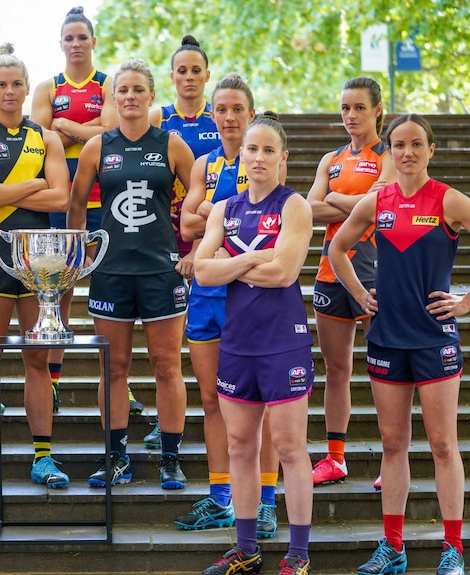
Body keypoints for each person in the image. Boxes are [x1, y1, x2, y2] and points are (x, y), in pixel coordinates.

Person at [329, 114, 468, 575]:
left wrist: (467, 303)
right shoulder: (377, 201)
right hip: (387, 336)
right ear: (388, 150)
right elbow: (337, 249)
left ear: (431, 150)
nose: (407, 152)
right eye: (398, 144)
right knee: (392, 445)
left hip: (434, 339)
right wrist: (357, 292)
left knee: (444, 445)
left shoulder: (447, 199)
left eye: (416, 144)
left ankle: (453, 550)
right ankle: (393, 547)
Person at [194, 113, 314, 575]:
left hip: (283, 343)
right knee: (241, 446)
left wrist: (235, 258)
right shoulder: (224, 209)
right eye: (252, 149)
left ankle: (298, 555)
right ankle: (246, 550)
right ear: (241, 155)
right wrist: (261, 255)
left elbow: (284, 273)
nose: (259, 157)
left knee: (289, 448)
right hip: (238, 342)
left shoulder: (294, 206)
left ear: (283, 158)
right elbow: (202, 271)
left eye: (269, 150)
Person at [67, 59, 194, 490]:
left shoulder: (172, 144)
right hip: (112, 272)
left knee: (166, 365)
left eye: (139, 90)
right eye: (123, 90)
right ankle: (117, 457)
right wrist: (79, 251)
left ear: (152, 96)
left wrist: (193, 252)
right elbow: (77, 206)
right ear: (113, 97)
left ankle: (170, 458)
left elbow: (198, 205)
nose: (130, 97)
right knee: (114, 367)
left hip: (161, 271)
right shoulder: (97, 147)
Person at [0, 43, 71, 492]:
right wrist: (35, 183)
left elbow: (60, 198)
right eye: (1, 84)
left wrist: (3, 187)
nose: (9, 91)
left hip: (37, 260)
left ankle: (43, 457)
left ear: (27, 88)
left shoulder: (46, 137)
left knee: (37, 360)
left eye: (16, 84)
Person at [175, 74, 281, 538]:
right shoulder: (204, 163)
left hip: (252, 294)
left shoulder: (265, 162)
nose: (230, 116)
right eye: (222, 108)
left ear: (251, 113)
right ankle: (221, 498)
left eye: (238, 108)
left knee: (263, 403)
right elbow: (187, 222)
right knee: (212, 399)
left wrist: (217, 238)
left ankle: (266, 501)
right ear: (212, 113)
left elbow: (269, 227)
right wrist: (211, 230)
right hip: (207, 296)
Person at [30, 6, 123, 415]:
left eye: (82, 37)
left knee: (113, 289)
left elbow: (113, 131)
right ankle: (52, 374)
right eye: (69, 38)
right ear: (61, 43)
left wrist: (67, 128)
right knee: (58, 288)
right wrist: (88, 131)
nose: (75, 44)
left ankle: (121, 382)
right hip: (62, 197)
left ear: (93, 42)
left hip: (108, 198)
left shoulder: (109, 84)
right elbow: (38, 135)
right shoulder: (47, 85)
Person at [307, 76, 394, 487]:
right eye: (344, 108)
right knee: (337, 369)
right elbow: (309, 209)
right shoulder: (331, 159)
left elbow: (382, 206)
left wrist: (339, 204)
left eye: (359, 107)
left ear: (378, 109)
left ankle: (389, 460)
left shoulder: (390, 153)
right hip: (331, 273)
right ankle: (336, 458)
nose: (350, 115)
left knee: (384, 368)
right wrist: (358, 204)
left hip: (378, 272)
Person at [144, 34, 218, 450]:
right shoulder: (158, 118)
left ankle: (216, 406)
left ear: (207, 75)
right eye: (182, 70)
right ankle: (166, 420)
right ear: (171, 76)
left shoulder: (219, 117)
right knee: (165, 345)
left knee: (205, 331)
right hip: (161, 235)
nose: (189, 77)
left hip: (210, 235)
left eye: (196, 70)